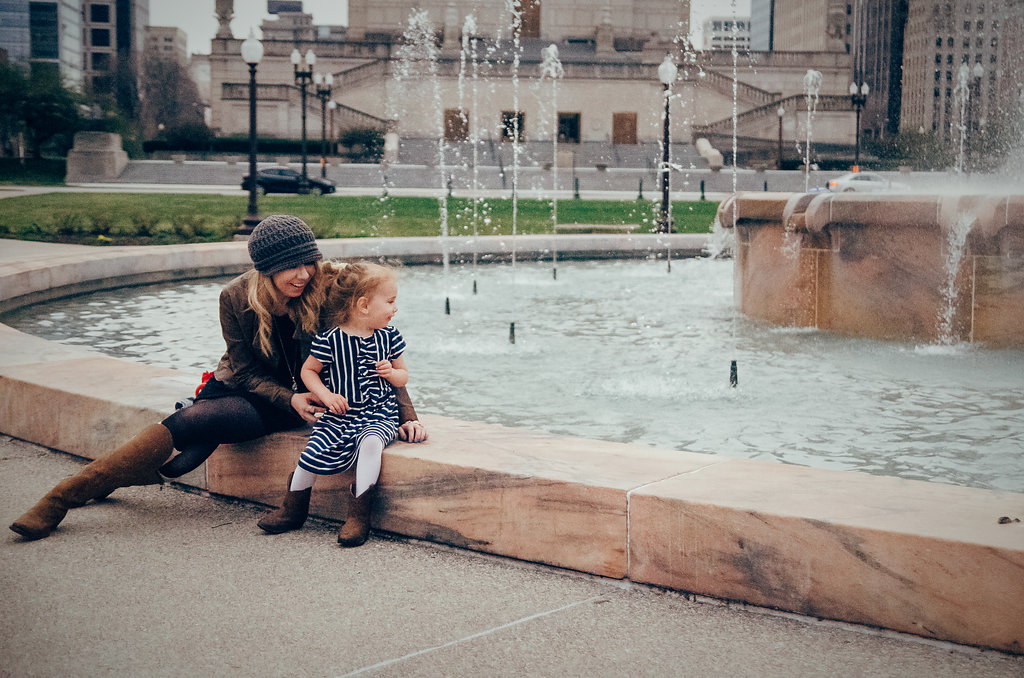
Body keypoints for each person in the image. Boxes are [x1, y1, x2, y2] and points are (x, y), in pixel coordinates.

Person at [9, 215, 428, 541]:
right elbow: (243, 369)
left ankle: (113, 477)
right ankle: (60, 499)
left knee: (180, 463)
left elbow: (379, 349)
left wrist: (405, 414)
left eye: (307, 262)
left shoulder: (330, 284)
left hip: (301, 404)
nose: (302, 274)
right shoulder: (234, 297)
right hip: (251, 390)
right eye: (289, 267)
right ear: (264, 269)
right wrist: (289, 398)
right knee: (187, 435)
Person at [257, 262, 407, 546]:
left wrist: (393, 374)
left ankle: (359, 515)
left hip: (378, 414)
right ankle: (293, 509)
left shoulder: (389, 337)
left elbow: (404, 376)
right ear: (363, 305)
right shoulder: (331, 339)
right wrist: (326, 395)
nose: (394, 308)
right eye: (389, 301)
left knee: (371, 443)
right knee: (314, 448)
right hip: (341, 416)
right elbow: (307, 371)